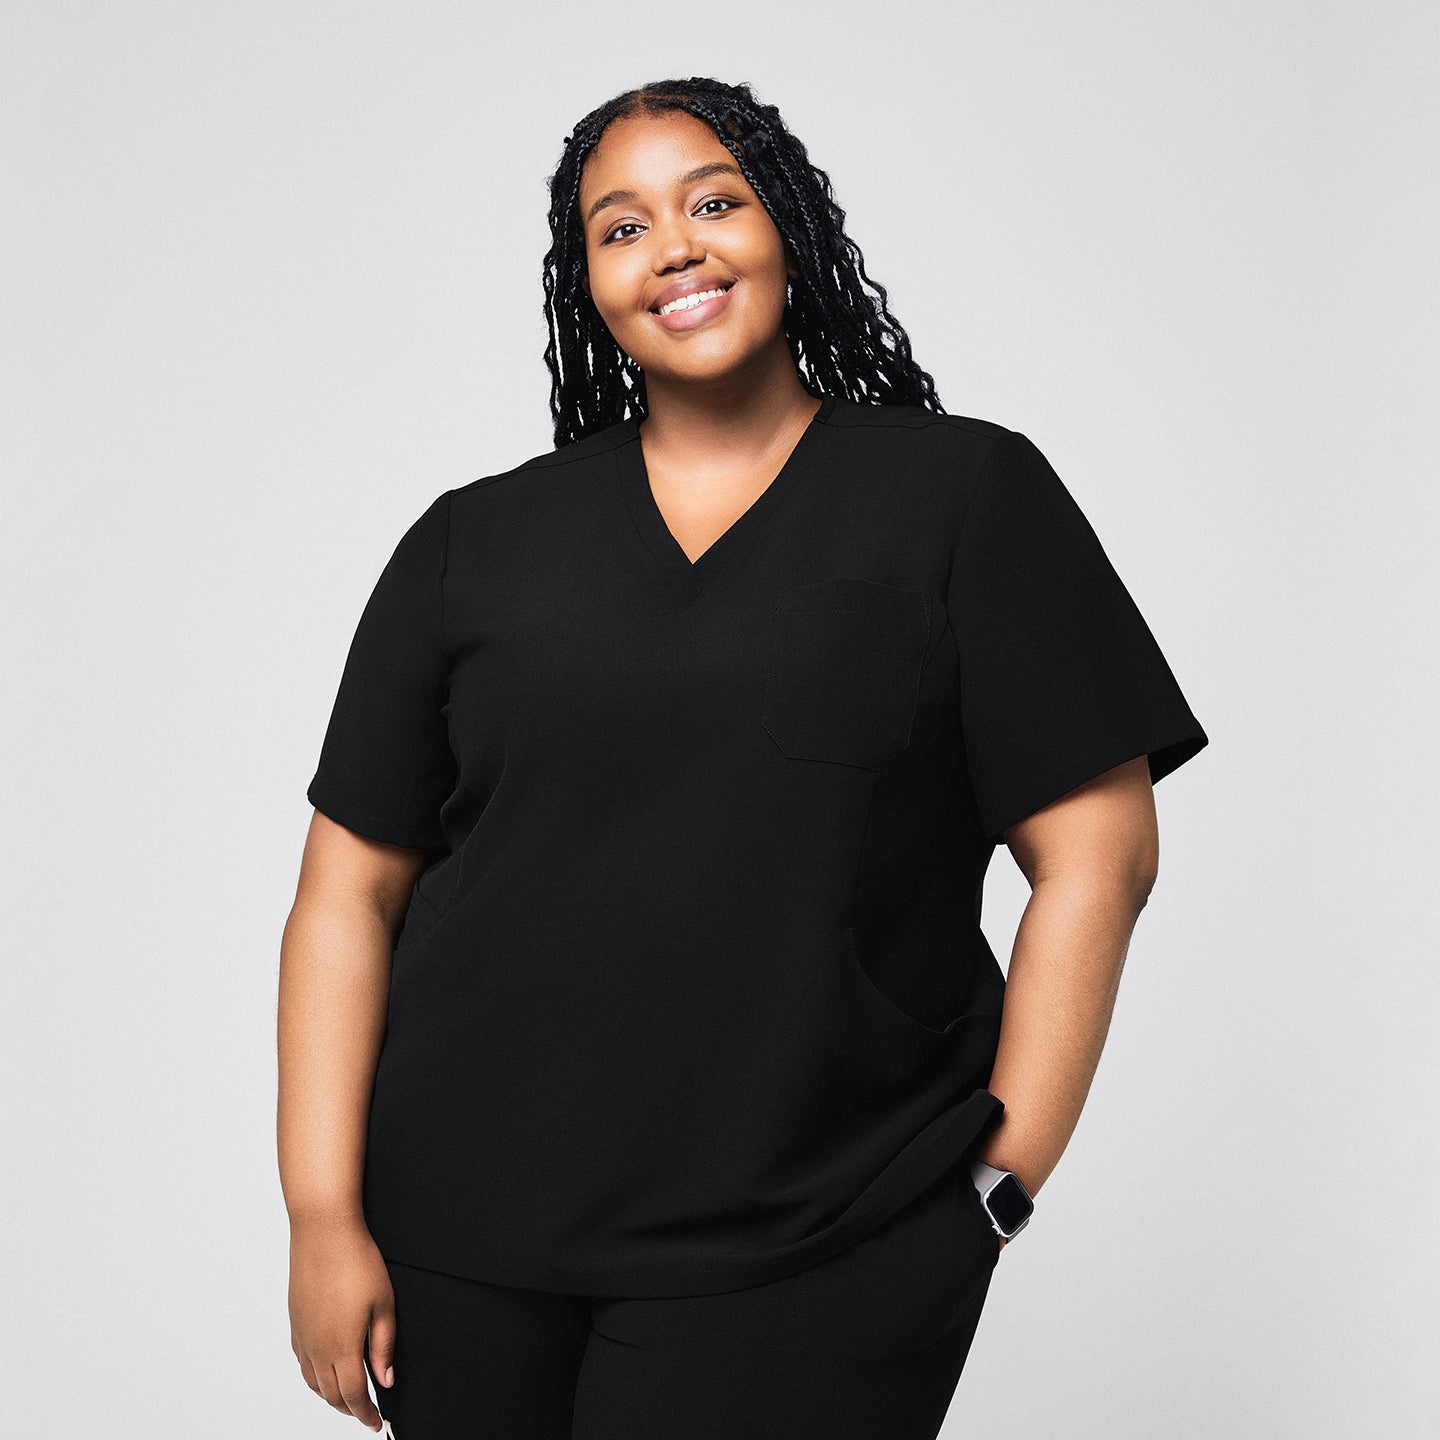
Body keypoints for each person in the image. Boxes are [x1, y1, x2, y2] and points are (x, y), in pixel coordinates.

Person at [278, 76, 1209, 1440]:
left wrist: (1000, 1179)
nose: (676, 245)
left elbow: (1099, 856)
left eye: (716, 200)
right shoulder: (470, 547)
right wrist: (321, 1213)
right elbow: (344, 893)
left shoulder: (964, 498)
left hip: (820, 1226)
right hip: (461, 1236)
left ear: (792, 231)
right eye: (622, 225)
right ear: (586, 282)